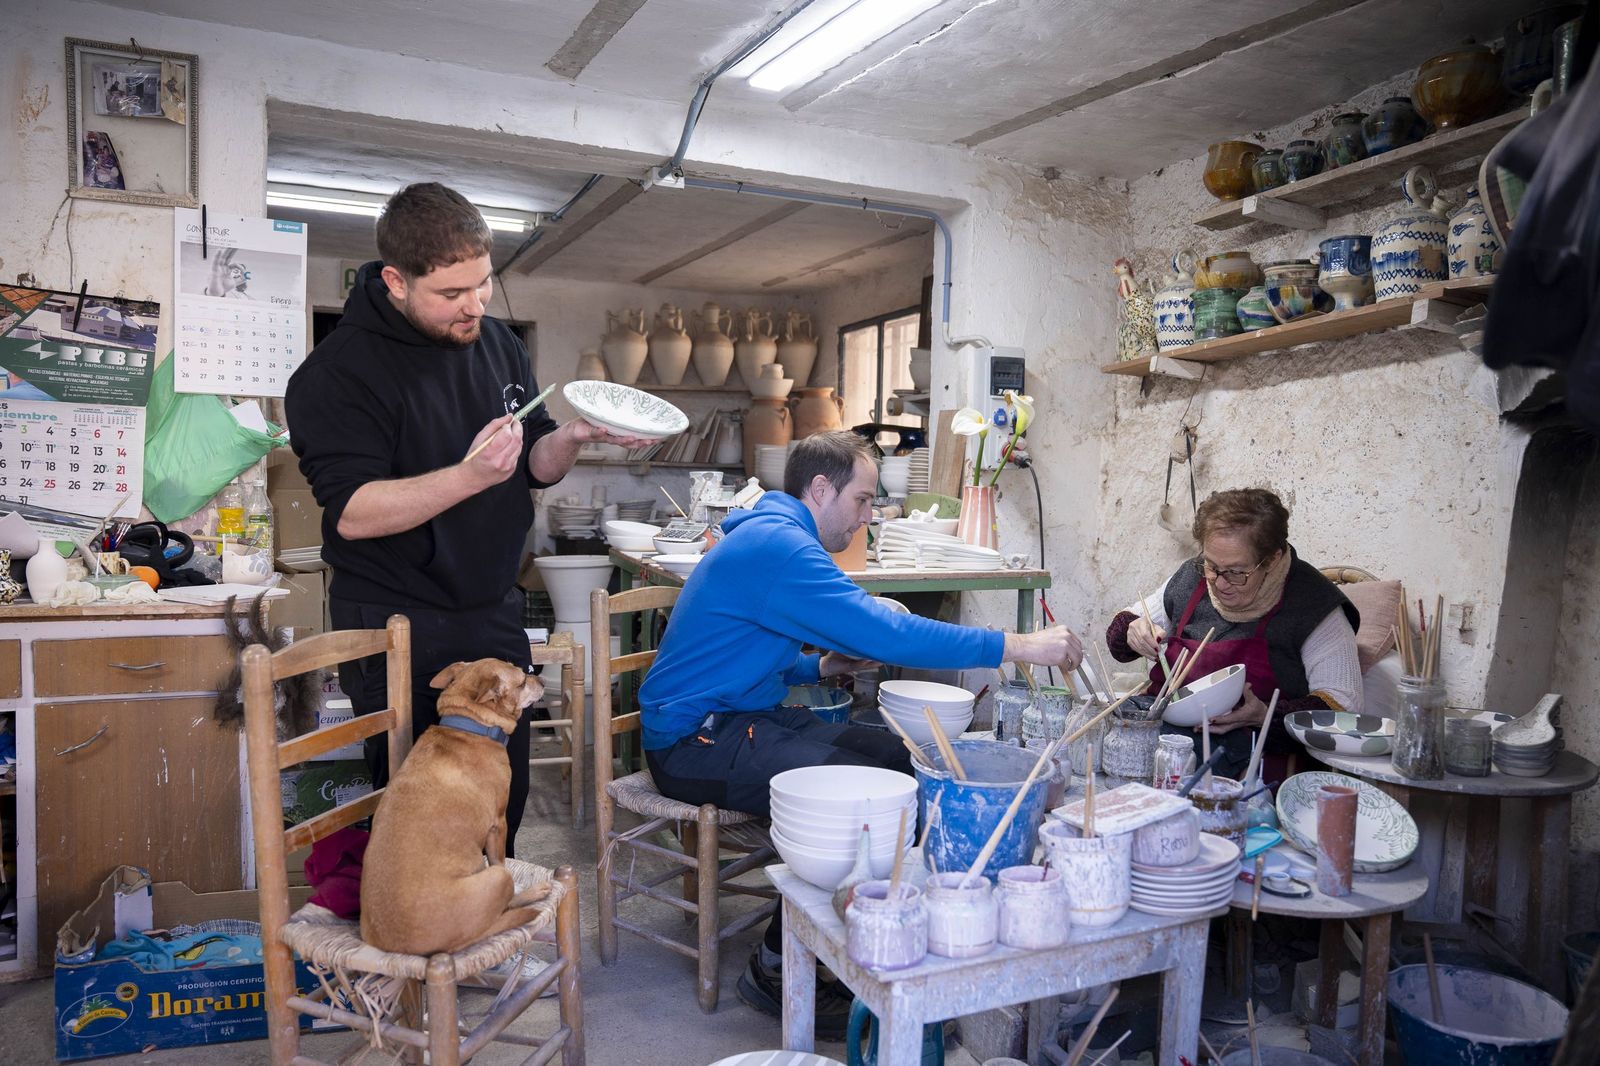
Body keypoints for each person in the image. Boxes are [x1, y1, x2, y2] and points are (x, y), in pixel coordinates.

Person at [638, 430, 1084, 1034]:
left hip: (740, 716)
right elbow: (889, 634)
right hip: (694, 742)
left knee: (907, 756)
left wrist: (817, 667)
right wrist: (1018, 643)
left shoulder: (771, 533)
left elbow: (738, 652)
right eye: (863, 501)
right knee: (864, 802)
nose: (869, 519)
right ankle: (775, 969)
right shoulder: (779, 547)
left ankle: (901, 929)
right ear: (819, 489)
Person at [285, 182, 652, 865]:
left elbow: (533, 464)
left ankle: (477, 929)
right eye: (452, 294)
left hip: (489, 605)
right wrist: (469, 475)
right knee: (420, 801)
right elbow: (356, 514)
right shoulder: (337, 375)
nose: (474, 306)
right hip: (398, 616)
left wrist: (571, 438)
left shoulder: (496, 346)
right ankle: (422, 949)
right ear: (395, 280)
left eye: (483, 284)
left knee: (496, 795)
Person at [1105, 487, 1361, 779]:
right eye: (1211, 566)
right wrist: (1132, 631)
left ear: (1273, 559)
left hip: (1249, 752)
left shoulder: (1314, 605)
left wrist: (1266, 716)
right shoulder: (1193, 575)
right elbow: (1125, 629)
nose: (1219, 582)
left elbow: (1343, 709)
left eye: (1237, 572)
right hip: (1164, 726)